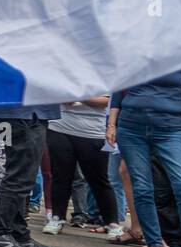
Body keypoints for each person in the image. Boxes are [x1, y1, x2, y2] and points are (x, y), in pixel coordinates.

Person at [109, 68, 181, 247]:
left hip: (172, 129)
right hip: (131, 129)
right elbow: (118, 91)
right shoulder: (133, 54)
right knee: (142, 188)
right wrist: (111, 124)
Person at [0, 104, 60, 247]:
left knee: (22, 176)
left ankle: (17, 232)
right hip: (21, 114)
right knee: (20, 176)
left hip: (25, 113)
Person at [43, 97, 122, 237]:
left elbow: (106, 100)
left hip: (93, 131)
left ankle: (112, 222)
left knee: (99, 179)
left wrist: (79, 96)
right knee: (60, 176)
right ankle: (57, 217)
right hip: (60, 126)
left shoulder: (103, 74)